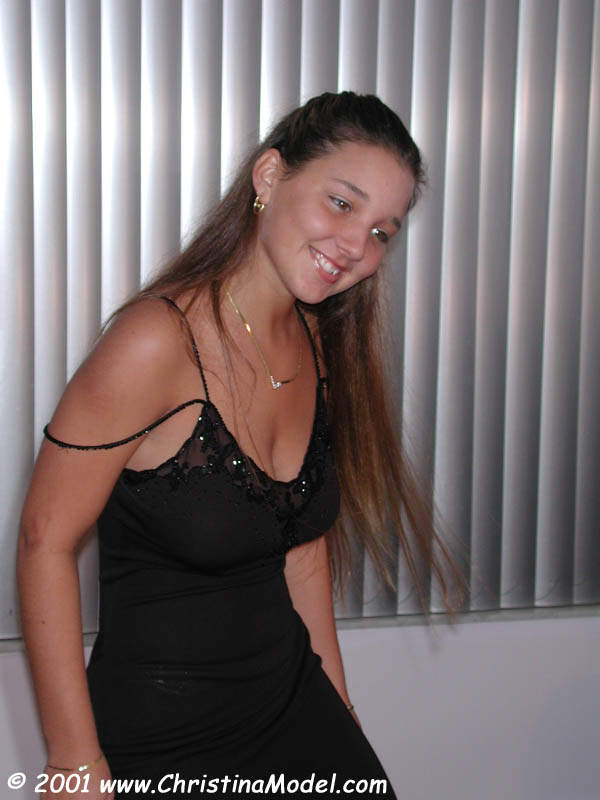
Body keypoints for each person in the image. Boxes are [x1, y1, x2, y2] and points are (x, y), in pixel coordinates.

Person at [18, 91, 460, 800]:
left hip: (290, 699)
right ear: (270, 176)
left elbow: (302, 545)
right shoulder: (155, 342)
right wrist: (74, 758)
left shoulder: (317, 341)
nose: (357, 246)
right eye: (341, 204)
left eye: (382, 231)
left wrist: (340, 708)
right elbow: (45, 539)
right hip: (161, 731)